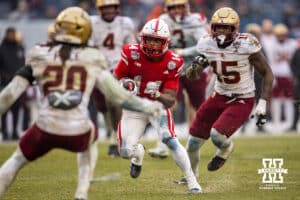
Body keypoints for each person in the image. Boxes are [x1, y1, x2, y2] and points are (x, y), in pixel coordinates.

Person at [0, 7, 163, 200]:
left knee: (17, 159)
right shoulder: (92, 57)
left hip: (44, 127)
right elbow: (118, 95)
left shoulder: (39, 53)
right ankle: (81, 193)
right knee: (91, 136)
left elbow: (10, 94)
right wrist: (150, 106)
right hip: (77, 130)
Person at [177, 7, 273, 184]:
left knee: (217, 135)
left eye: (226, 27)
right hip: (219, 95)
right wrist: (194, 67)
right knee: (192, 142)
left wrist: (262, 103)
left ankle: (225, 150)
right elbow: (192, 76)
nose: (221, 31)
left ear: (234, 28)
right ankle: (191, 177)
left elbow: (267, 72)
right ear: (212, 27)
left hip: (242, 97)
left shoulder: (247, 44)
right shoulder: (206, 44)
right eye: (218, 27)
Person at [114, 18, 202, 194]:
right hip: (134, 107)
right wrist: (125, 84)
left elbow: (170, 100)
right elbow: (116, 78)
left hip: (156, 108)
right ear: (142, 38)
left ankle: (193, 182)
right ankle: (138, 154)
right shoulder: (131, 52)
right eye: (149, 39)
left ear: (166, 42)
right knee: (124, 151)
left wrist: (158, 95)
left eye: (157, 41)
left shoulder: (173, 61)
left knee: (170, 140)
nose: (152, 44)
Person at [148, 0, 209, 158]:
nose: (177, 10)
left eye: (180, 6)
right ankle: (161, 144)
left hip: (195, 67)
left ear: (186, 7)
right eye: (173, 7)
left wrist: (183, 52)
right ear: (167, 9)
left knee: (198, 107)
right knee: (169, 103)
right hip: (173, 68)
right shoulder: (163, 21)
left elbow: (205, 46)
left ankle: (193, 142)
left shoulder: (196, 20)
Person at [89, 0, 137, 157]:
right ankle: (112, 131)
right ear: (100, 9)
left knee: (114, 102)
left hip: (118, 68)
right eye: (105, 8)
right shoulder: (92, 23)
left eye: (111, 7)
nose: (109, 11)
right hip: (99, 68)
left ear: (116, 8)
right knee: (102, 106)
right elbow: (88, 47)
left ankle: (114, 137)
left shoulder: (125, 23)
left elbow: (131, 47)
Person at [266, 24, 298, 132]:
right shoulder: (271, 45)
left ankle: (289, 122)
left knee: (289, 100)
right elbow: (270, 62)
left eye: (283, 35)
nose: (281, 37)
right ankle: (277, 123)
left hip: (288, 75)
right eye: (279, 35)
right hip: (276, 74)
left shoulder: (292, 44)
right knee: (275, 100)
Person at [0, 26, 25, 140]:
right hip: (5, 83)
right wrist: (4, 76)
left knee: (16, 109)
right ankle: (5, 132)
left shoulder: (19, 48)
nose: (12, 36)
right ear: (7, 34)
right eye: (10, 34)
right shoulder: (2, 49)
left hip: (17, 83)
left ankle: (15, 131)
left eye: (13, 34)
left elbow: (23, 64)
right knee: (4, 108)